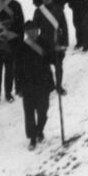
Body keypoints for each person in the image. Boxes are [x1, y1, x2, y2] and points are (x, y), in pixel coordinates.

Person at [14, 20, 55, 150]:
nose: (32, 33)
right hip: (28, 85)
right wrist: (18, 86)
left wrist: (58, 54)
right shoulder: (21, 47)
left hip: (43, 82)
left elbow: (52, 59)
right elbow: (17, 69)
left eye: (34, 30)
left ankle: (39, 130)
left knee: (43, 111)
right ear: (26, 32)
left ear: (38, 30)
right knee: (29, 113)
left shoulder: (45, 43)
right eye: (29, 31)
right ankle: (32, 138)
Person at [33, 0, 69, 97]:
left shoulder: (58, 10)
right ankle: (49, 86)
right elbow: (34, 29)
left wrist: (64, 43)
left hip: (57, 42)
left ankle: (59, 86)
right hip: (44, 43)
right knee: (45, 68)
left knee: (58, 67)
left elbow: (64, 27)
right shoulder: (38, 11)